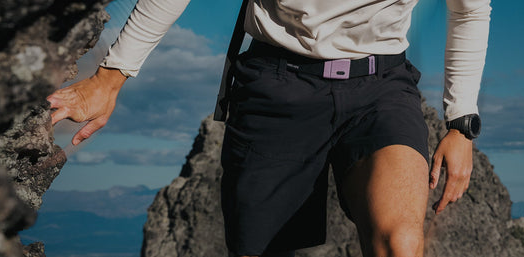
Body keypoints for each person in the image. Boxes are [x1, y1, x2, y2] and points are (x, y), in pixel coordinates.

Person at [47, 0, 490, 256]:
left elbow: (470, 9)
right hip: (277, 85)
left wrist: (461, 123)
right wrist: (110, 77)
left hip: (381, 86)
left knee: (401, 243)